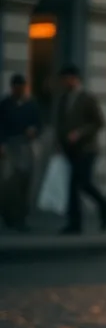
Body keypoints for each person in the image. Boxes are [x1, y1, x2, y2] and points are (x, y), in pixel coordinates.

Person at [54, 65, 106, 234]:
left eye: (66, 79)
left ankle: (104, 205)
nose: (64, 83)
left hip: (87, 149)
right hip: (70, 149)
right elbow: (61, 123)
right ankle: (75, 223)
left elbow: (99, 122)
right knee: (73, 186)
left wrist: (80, 133)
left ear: (74, 78)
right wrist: (59, 142)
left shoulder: (87, 98)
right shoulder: (64, 99)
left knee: (83, 182)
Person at [0, 74, 42, 232]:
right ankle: (8, 215)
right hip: (10, 145)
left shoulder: (31, 105)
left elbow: (39, 124)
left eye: (22, 87)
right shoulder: (5, 105)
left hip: (25, 146)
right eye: (17, 87)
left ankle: (21, 218)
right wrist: (2, 143)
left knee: (24, 181)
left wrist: (34, 130)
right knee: (9, 182)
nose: (20, 90)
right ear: (12, 88)